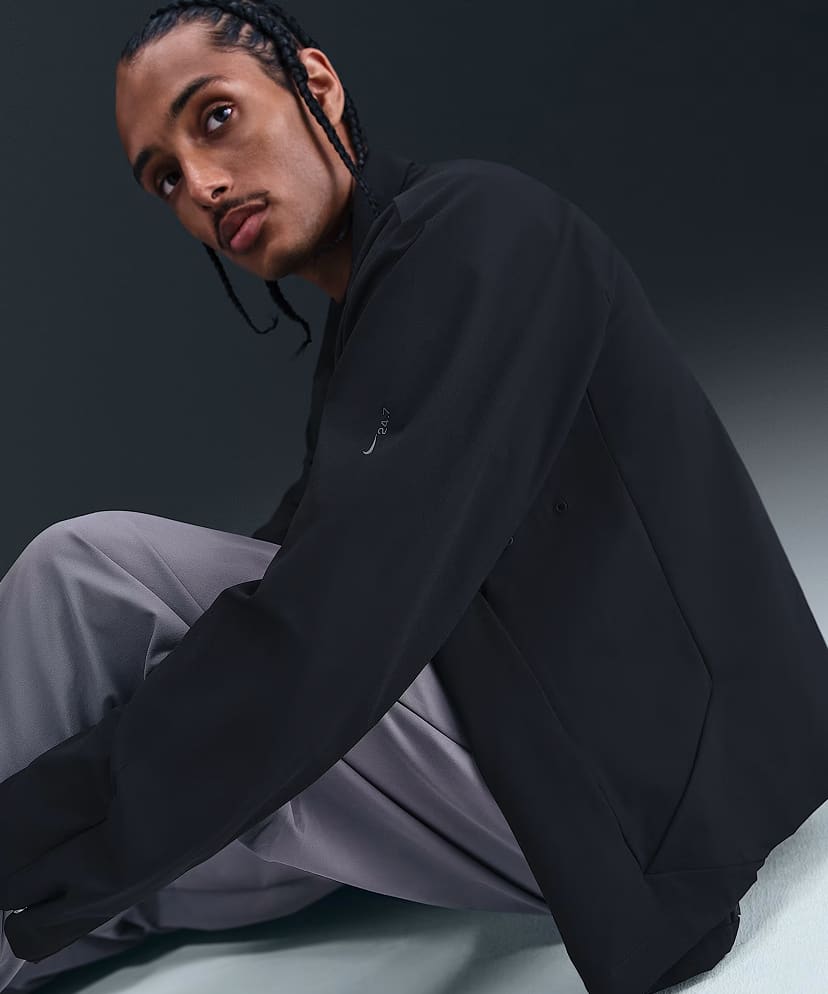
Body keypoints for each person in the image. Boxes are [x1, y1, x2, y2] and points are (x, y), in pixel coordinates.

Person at [3, 3, 828, 994]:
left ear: (316, 85)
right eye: (165, 178)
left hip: (635, 791)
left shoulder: (481, 230)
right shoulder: (388, 303)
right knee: (178, 810)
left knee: (83, 571)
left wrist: (34, 816)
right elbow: (314, 554)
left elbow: (334, 618)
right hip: (612, 755)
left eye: (215, 118)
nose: (202, 185)